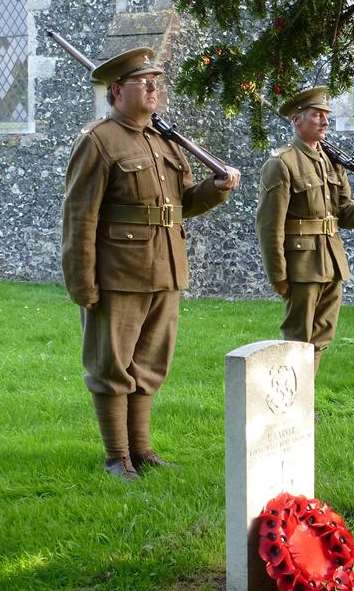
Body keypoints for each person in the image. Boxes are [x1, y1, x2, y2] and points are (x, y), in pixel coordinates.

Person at [61, 47, 241, 480]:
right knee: (112, 365)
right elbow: (79, 216)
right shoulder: (99, 140)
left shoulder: (164, 140)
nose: (153, 87)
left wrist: (216, 189)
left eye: (156, 81)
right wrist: (82, 282)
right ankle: (116, 456)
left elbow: (180, 205)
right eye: (144, 82)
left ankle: (141, 449)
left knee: (150, 366)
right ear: (117, 91)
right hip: (119, 272)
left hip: (165, 269)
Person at [257, 86, 354, 374]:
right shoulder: (282, 163)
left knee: (321, 339)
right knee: (298, 339)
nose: (325, 121)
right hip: (302, 266)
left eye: (326, 115)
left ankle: (303, 400)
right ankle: (290, 405)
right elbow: (269, 225)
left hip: (331, 263)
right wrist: (278, 274)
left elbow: (345, 213)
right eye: (317, 115)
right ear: (296, 120)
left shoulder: (331, 162)